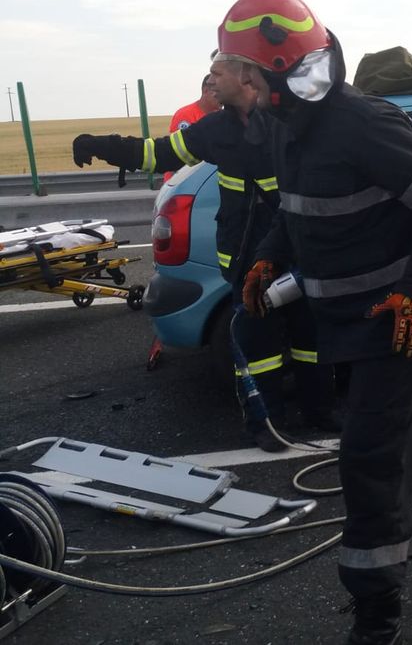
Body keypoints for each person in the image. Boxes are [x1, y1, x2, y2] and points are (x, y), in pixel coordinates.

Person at [219, 0, 412, 645]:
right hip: (348, 321)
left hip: (399, 318)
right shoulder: (283, 126)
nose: (229, 82)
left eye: (235, 71)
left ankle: (375, 613)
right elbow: (295, 210)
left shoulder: (360, 121)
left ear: (267, 74)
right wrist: (268, 259)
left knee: (370, 457)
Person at [71, 57, 340, 452]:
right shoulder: (215, 129)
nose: (209, 82)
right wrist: (103, 145)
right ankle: (267, 422)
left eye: (217, 74)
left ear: (246, 77)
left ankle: (320, 411)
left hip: (299, 257)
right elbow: (159, 154)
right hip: (247, 262)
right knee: (257, 349)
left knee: (312, 340)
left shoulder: (289, 124)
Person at [163, 74, 221, 181]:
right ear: (205, 90)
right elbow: (178, 154)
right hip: (183, 179)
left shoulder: (221, 117)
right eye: (217, 92)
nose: (221, 97)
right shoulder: (185, 115)